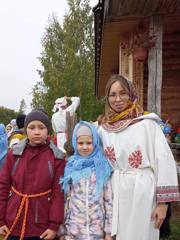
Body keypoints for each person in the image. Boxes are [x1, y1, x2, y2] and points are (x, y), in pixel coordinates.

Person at [97, 74, 180, 240]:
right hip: (115, 192)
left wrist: (163, 204)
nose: (118, 99)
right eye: (113, 95)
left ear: (131, 94)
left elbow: (164, 162)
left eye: (123, 93)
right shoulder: (103, 130)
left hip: (142, 192)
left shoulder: (147, 125)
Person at [0, 109, 65, 240]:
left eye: (41, 127)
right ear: (26, 129)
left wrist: (54, 226)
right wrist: (0, 220)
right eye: (31, 127)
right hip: (13, 221)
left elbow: (58, 194)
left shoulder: (57, 157)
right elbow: (3, 187)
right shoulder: (14, 154)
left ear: (48, 130)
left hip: (41, 225)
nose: (36, 132)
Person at [60, 121, 113, 240]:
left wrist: (109, 231)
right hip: (73, 231)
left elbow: (109, 200)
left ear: (95, 143)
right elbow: (64, 200)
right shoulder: (70, 167)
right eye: (80, 143)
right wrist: (62, 230)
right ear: (74, 143)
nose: (84, 147)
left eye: (89, 143)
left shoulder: (102, 167)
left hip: (97, 231)